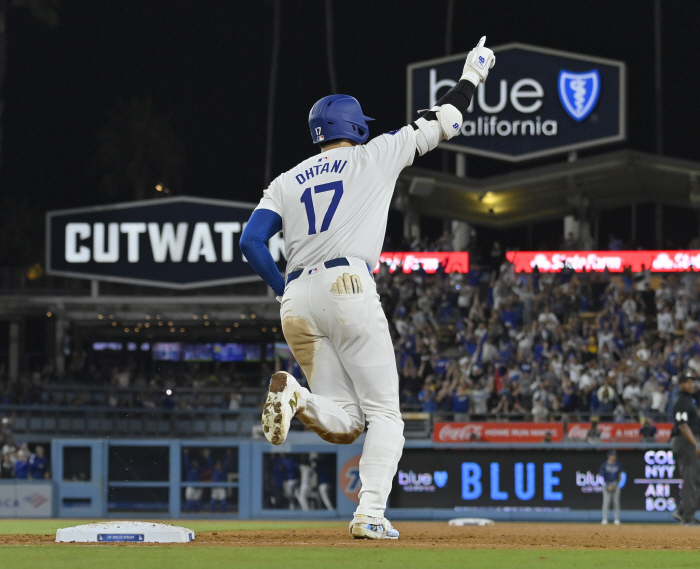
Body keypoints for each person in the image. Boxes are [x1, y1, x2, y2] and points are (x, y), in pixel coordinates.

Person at [240, 37, 496, 540]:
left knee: (348, 421)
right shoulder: (375, 154)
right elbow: (447, 120)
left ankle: (295, 395)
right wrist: (474, 75)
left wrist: (281, 291)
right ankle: (370, 514)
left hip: (296, 298)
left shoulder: (287, 180)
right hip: (348, 284)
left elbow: (251, 242)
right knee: (386, 416)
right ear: (355, 127)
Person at [670, 370, 700, 525]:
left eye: (691, 381)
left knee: (696, 479)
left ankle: (683, 510)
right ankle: (687, 517)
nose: (691, 384)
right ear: (681, 384)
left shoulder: (690, 400)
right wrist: (696, 444)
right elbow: (682, 425)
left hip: (691, 441)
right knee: (690, 479)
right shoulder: (681, 401)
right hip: (685, 441)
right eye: (687, 381)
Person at [599, 450, 623, 525]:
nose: (614, 457)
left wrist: (616, 484)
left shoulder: (618, 465)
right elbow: (601, 476)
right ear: (609, 456)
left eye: (614, 455)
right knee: (606, 503)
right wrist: (608, 485)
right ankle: (605, 519)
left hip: (615, 485)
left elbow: (620, 476)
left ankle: (616, 519)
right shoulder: (604, 465)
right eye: (612, 455)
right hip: (607, 485)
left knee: (616, 503)